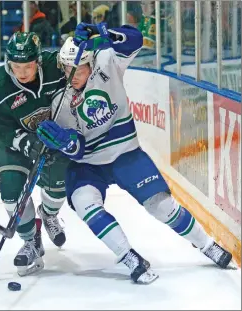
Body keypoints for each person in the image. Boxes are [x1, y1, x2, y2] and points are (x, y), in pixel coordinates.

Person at [36, 23, 232, 284]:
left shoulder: (107, 62)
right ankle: (127, 256)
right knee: (85, 203)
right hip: (89, 166)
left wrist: (102, 34)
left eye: (78, 69)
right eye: (66, 69)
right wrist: (65, 143)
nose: (72, 75)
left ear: (90, 63)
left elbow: (134, 40)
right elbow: (78, 148)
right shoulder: (60, 102)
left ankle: (207, 244)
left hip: (126, 153)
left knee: (161, 207)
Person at [0, 31, 70, 276]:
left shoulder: (57, 67)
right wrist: (23, 141)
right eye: (16, 66)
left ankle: (49, 214)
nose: (22, 72)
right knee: (11, 191)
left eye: (28, 66)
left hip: (52, 138)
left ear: (39, 61)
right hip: (12, 140)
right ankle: (31, 241)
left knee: (59, 185)